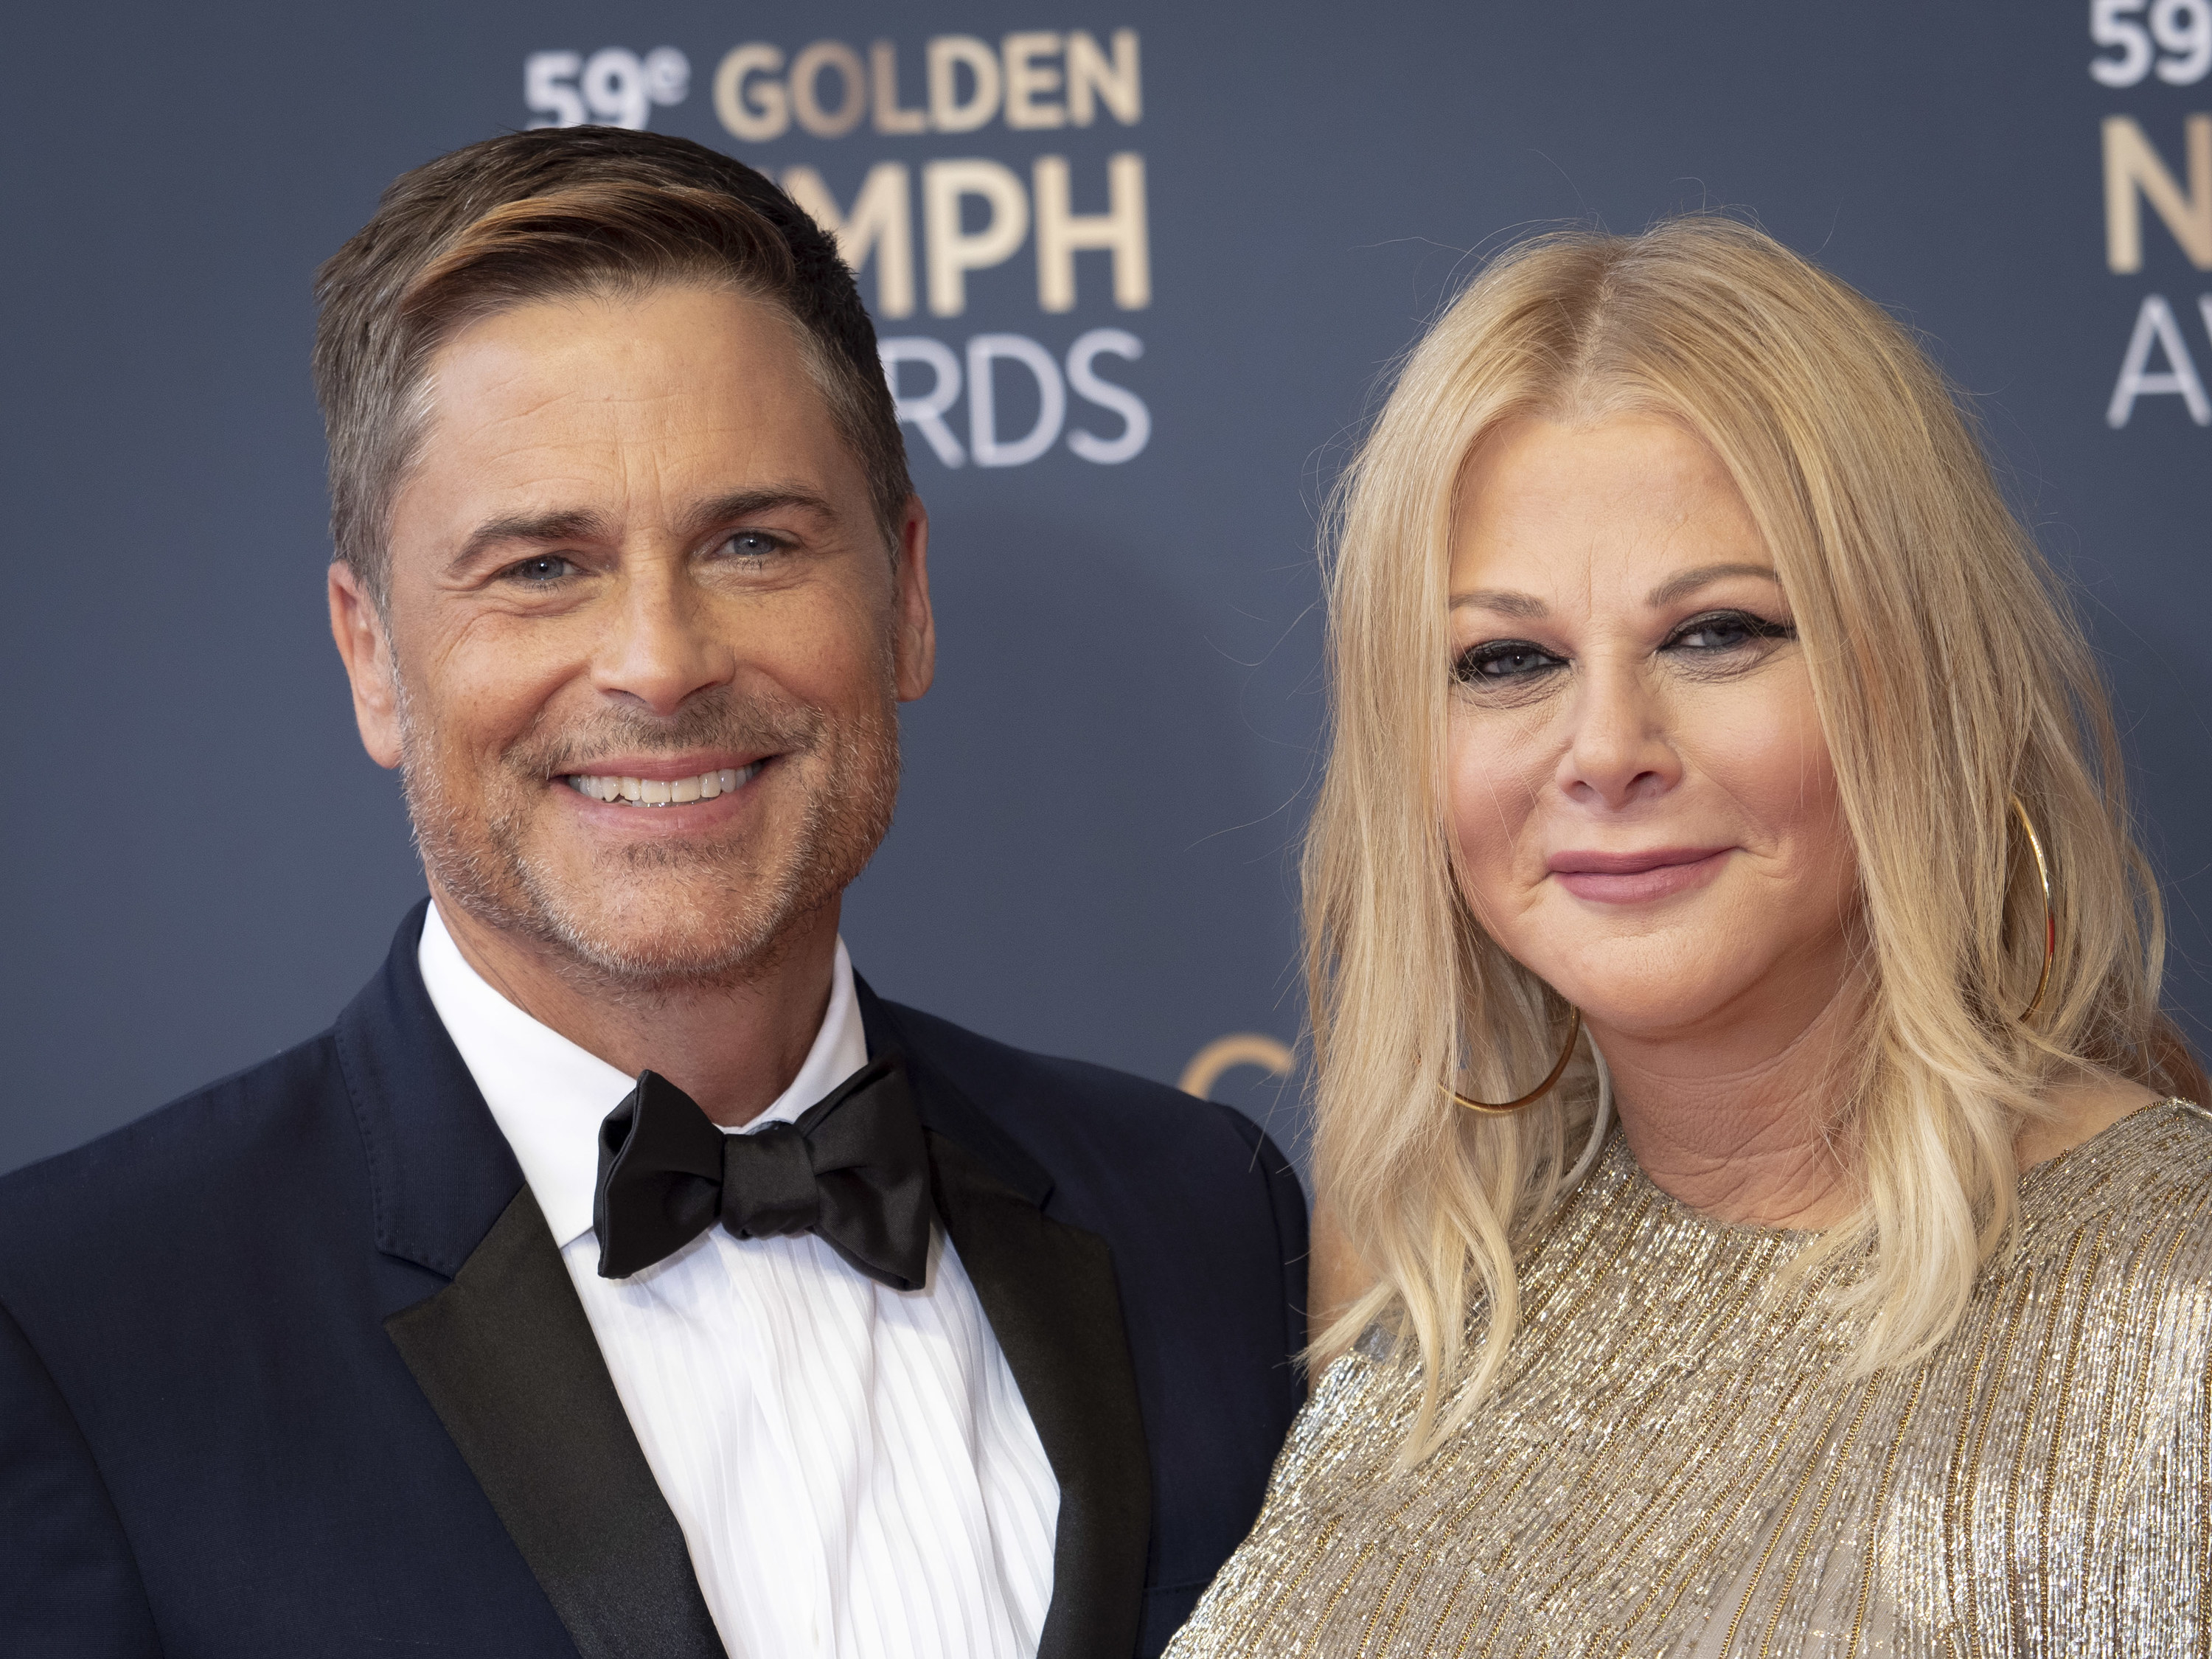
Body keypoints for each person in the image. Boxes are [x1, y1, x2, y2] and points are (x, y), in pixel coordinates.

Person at [0, 128, 1307, 1659]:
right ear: (370, 655)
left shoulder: (1204, 1215)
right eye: (542, 567)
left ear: (905, 598)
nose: (662, 661)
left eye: (752, 542)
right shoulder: (79, 1335)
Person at [1168, 217, 2212, 1656]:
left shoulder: (2182, 1305)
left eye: (1716, 633)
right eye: (1507, 659)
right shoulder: (1441, 1315)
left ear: (1921, 678)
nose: (1605, 749)